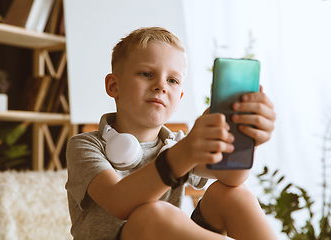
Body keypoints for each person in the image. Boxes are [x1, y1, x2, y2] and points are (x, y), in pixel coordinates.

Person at [65, 26, 278, 240]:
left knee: (234, 194)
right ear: (114, 85)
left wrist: (244, 139)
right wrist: (184, 153)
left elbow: (231, 177)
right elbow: (118, 202)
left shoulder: (177, 145)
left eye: (172, 80)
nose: (161, 86)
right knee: (152, 215)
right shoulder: (85, 146)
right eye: (147, 74)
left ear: (179, 99)